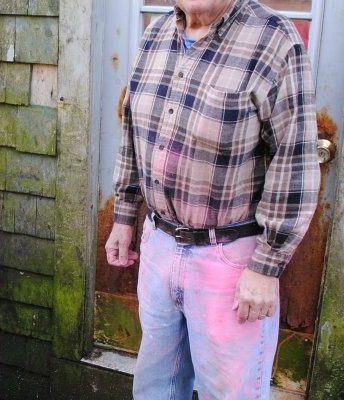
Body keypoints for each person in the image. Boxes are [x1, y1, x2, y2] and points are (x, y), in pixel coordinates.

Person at [105, 0, 320, 398]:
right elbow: (134, 133)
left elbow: (294, 159)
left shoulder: (273, 39)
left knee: (229, 393)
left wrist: (267, 266)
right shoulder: (156, 35)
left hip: (230, 261)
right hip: (160, 246)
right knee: (156, 389)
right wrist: (124, 215)